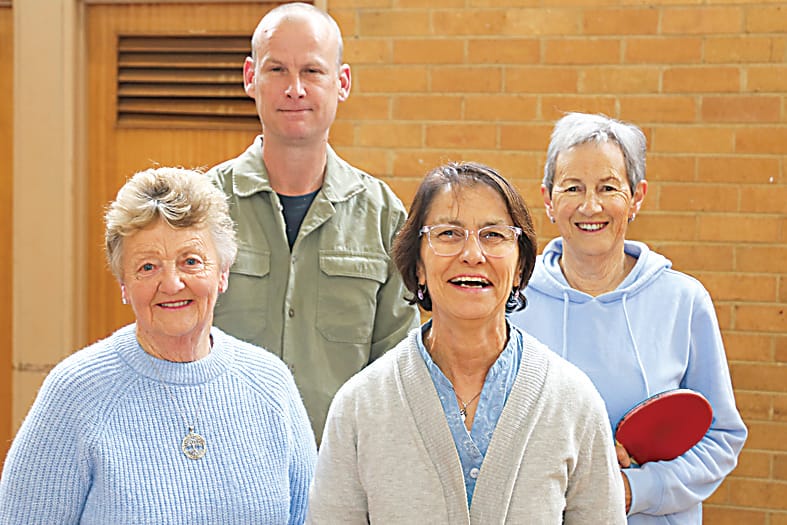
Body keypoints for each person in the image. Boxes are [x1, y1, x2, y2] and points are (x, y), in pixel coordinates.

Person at [306, 162, 627, 524]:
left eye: (493, 235)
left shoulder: (573, 401)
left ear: (520, 265)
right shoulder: (360, 405)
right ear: (419, 266)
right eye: (448, 234)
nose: (472, 254)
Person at [0, 167, 316, 524]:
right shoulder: (76, 392)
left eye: (191, 261)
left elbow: (311, 518)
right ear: (124, 284)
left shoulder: (269, 383)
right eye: (148, 267)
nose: (172, 283)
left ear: (223, 273)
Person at [509, 112, 748, 524]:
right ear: (548, 199)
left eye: (608, 187)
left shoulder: (684, 300)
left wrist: (635, 490)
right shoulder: (514, 303)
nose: (590, 206)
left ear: (636, 197)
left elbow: (721, 438)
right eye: (573, 187)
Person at [207, 2, 418, 441]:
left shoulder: (383, 216)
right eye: (277, 70)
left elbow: (397, 371)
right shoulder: (202, 208)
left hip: (339, 476)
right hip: (216, 467)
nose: (295, 89)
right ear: (250, 77)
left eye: (312, 72)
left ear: (341, 82)